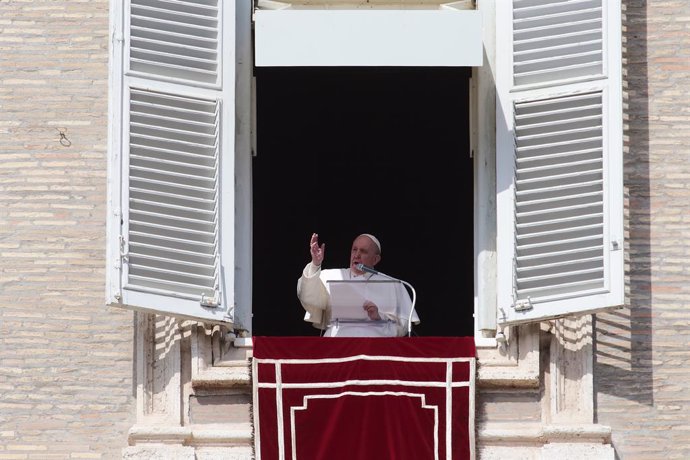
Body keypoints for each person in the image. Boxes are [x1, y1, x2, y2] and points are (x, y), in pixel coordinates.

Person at [297, 233, 420, 337]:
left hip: (376, 346)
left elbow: (402, 327)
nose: (356, 255)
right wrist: (315, 264)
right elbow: (308, 297)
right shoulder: (331, 276)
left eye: (363, 251)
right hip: (337, 343)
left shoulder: (393, 284)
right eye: (354, 249)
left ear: (375, 259)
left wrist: (379, 317)